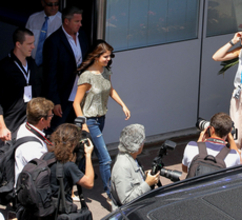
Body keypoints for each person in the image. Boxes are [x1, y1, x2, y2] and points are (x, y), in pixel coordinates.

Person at [73, 40, 130, 201]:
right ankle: (110, 193)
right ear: (96, 56)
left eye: (110, 56)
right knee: (105, 158)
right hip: (89, 121)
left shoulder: (106, 71)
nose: (108, 59)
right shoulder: (86, 76)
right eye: (105, 56)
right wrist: (83, 123)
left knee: (85, 154)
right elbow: (76, 103)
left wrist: (123, 105)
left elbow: (110, 89)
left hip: (101, 119)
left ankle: (75, 184)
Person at [43, 6, 89, 134]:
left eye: (80, 21)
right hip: (63, 96)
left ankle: (76, 154)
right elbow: (50, 75)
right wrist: (55, 101)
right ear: (66, 21)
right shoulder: (53, 41)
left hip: (80, 94)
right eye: (77, 21)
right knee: (57, 130)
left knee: (77, 130)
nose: (80, 24)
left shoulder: (82, 36)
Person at [42, 123, 94, 217]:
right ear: (74, 144)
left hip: (46, 208)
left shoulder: (47, 157)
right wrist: (88, 155)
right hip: (61, 211)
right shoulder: (68, 166)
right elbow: (89, 183)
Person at [0, 28, 41, 141]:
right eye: (29, 44)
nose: (33, 47)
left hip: (29, 121)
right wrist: (2, 127)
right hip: (10, 123)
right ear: (18, 44)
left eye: (33, 43)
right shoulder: (5, 67)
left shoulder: (32, 64)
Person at [111, 124, 160, 208]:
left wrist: (145, 177)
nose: (143, 143)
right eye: (142, 141)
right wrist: (147, 183)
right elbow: (126, 200)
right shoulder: (122, 166)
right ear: (137, 145)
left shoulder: (131, 157)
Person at [14, 98, 54, 184]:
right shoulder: (32, 147)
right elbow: (41, 173)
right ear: (42, 120)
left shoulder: (24, 126)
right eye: (51, 116)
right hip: (30, 190)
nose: (51, 118)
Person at [25, 0, 62, 66]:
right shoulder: (33, 18)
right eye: (50, 4)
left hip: (53, 65)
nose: (53, 7)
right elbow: (25, 41)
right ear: (43, 3)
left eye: (56, 4)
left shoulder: (63, 21)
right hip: (32, 63)